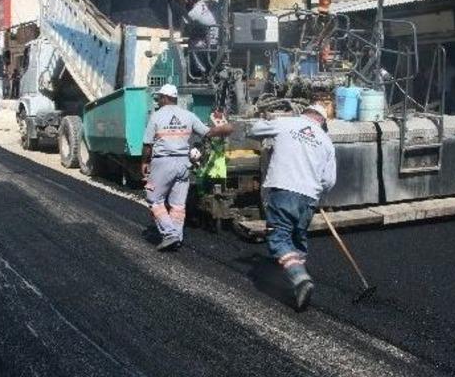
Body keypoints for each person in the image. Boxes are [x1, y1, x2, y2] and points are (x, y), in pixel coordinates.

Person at [248, 104, 337, 311]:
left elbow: (255, 130)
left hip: (284, 190)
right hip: (309, 197)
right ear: (322, 121)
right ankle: (299, 283)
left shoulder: (286, 123)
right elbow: (329, 180)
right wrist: (315, 190)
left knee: (278, 237)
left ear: (304, 113)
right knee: (298, 237)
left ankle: (300, 279)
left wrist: (268, 118)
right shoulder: (326, 141)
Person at [141, 84, 233, 251]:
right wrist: (224, 129)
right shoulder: (189, 116)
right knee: (177, 204)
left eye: (159, 98)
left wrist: (144, 162)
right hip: (184, 164)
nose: (158, 101)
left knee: (154, 198)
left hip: (163, 162)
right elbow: (208, 133)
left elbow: (147, 145)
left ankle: (170, 234)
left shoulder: (156, 116)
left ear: (164, 98)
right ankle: (177, 236)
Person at [184, 0, 219, 76]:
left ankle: (202, 71)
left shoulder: (193, 13)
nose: (186, 0)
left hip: (210, 39)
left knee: (193, 45)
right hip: (213, 33)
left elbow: (189, 27)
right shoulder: (203, 4)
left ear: (192, 0)